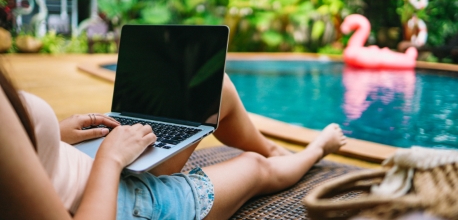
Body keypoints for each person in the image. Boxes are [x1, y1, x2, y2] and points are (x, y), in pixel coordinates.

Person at [0, 64, 346, 220]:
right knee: (253, 169)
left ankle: (273, 150)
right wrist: (110, 159)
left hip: (94, 169)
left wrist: (52, 137)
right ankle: (316, 149)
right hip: (120, 202)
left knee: (215, 91)